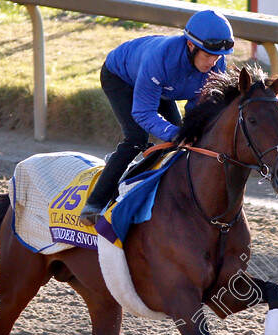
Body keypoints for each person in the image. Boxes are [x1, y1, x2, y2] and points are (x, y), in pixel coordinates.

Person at [78, 9, 235, 226]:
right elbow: (143, 112)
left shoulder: (217, 65)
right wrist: (176, 132)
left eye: (217, 56)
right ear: (191, 46)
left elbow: (198, 109)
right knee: (136, 139)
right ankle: (95, 203)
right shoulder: (160, 60)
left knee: (179, 145)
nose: (213, 62)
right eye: (208, 55)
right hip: (121, 77)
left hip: (161, 86)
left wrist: (192, 131)